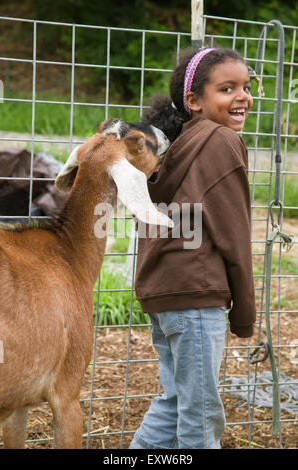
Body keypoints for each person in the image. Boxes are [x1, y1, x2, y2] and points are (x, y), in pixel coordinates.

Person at [130, 47, 256, 449]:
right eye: (227, 88)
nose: (242, 96)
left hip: (165, 294)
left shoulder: (174, 147)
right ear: (194, 101)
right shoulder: (220, 141)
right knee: (200, 419)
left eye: (246, 87)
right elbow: (234, 234)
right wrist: (245, 315)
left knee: (176, 403)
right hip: (197, 298)